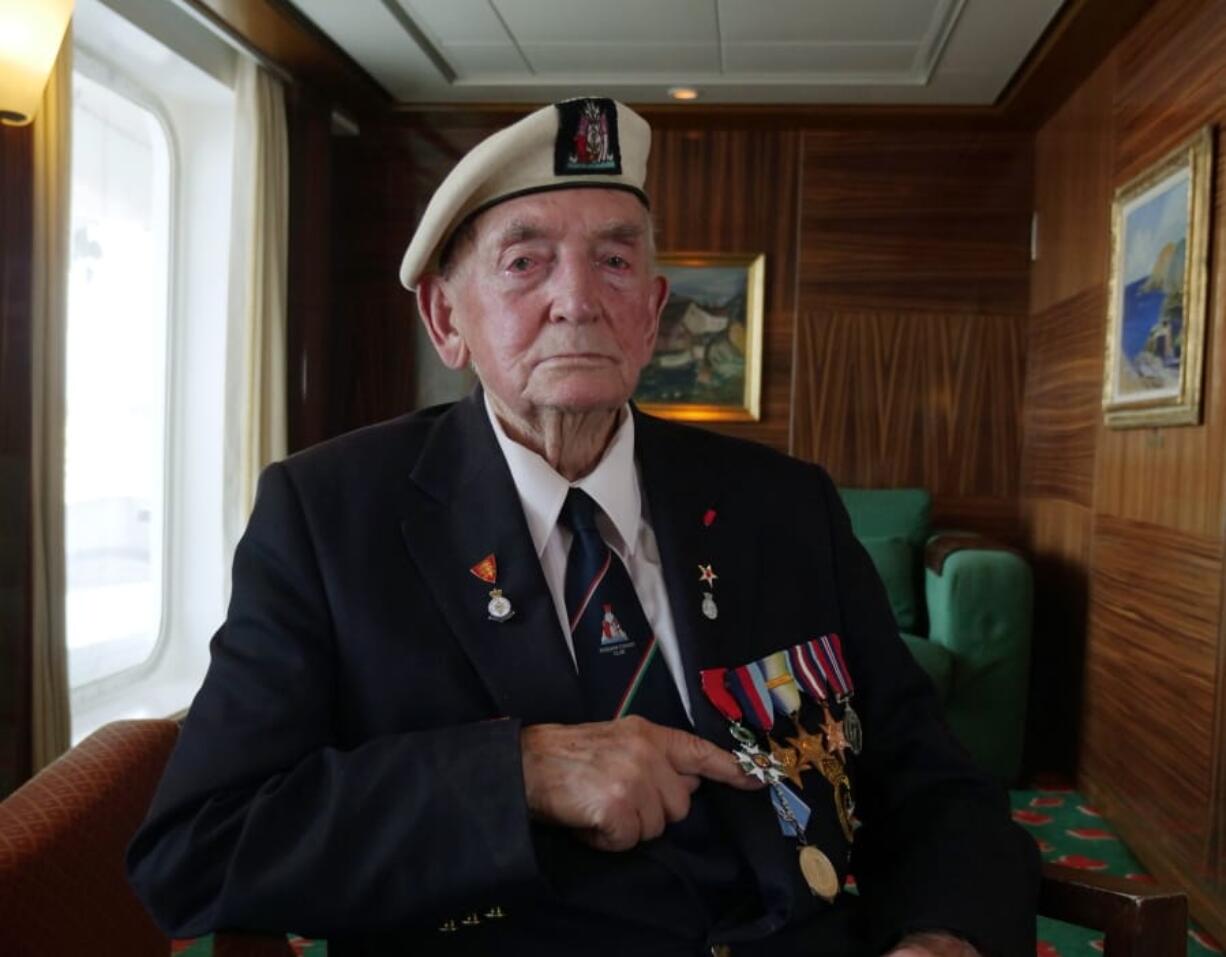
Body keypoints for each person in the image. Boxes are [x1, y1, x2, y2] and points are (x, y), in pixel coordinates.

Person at [127, 97, 1038, 957]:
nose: (578, 299)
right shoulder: (330, 517)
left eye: (615, 260)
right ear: (448, 319)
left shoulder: (784, 503)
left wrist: (941, 936)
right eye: (525, 261)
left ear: (652, 309)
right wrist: (515, 774)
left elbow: (935, 782)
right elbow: (201, 846)